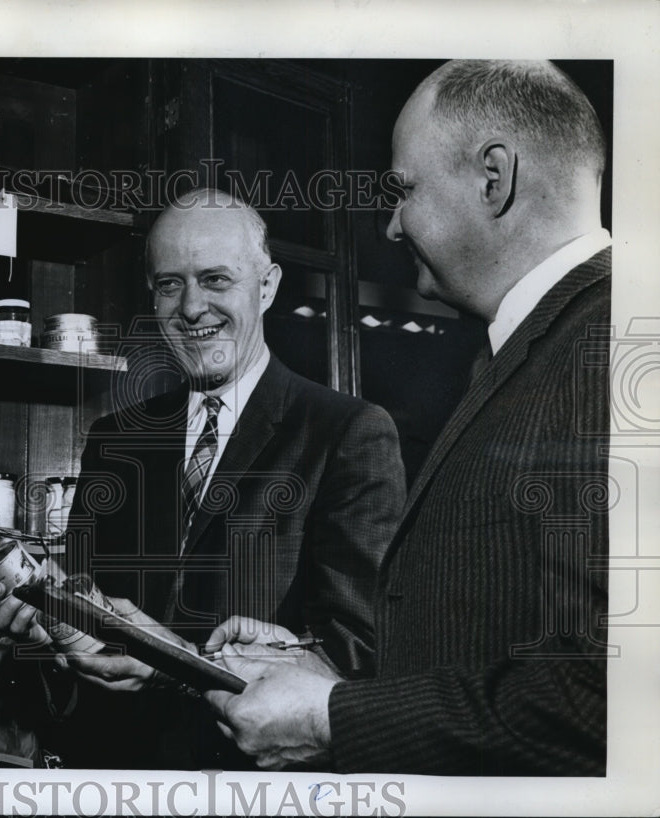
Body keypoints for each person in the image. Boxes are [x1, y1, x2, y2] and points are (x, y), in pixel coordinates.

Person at [204, 60, 612, 776]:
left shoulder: (613, 345)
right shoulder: (541, 346)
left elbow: (609, 701)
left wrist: (334, 719)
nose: (391, 227)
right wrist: (326, 675)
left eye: (404, 191)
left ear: (494, 177)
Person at [0, 187, 406, 767]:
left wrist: (174, 664)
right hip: (118, 783)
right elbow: (87, 619)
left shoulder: (347, 433)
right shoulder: (115, 439)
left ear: (267, 286)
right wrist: (48, 628)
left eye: (216, 279)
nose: (192, 307)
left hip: (258, 792)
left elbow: (357, 657)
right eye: (170, 284)